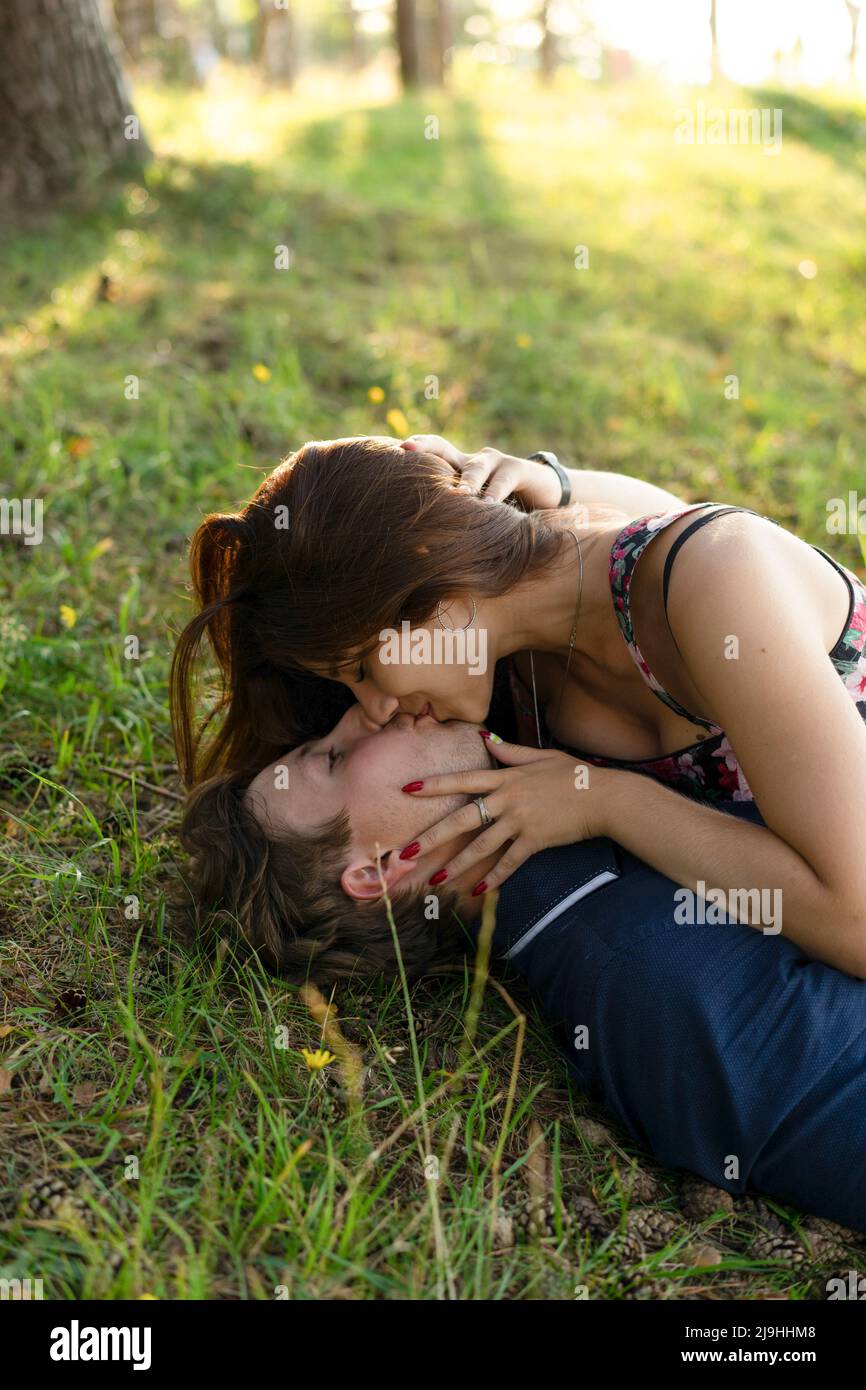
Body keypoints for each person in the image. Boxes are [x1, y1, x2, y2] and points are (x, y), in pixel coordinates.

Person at [170, 435, 866, 977]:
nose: (372, 709)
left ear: (428, 570)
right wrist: (557, 483)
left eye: (360, 667)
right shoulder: (512, 674)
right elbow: (639, 522)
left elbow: (856, 922)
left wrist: (608, 802)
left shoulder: (719, 576)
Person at [179, 702, 866, 1236]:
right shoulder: (652, 979)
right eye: (332, 758)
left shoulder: (592, 837)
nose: (364, 714)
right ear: (381, 871)